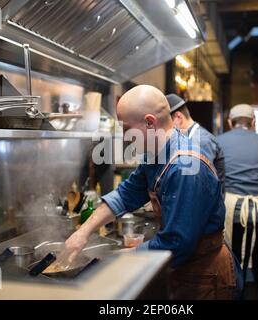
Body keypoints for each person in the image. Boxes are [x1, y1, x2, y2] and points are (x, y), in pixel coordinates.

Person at [64, 85, 241, 299]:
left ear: (149, 122)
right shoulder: (154, 155)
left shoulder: (185, 167)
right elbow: (125, 194)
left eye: (126, 127)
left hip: (204, 276)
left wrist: (115, 259)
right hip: (184, 270)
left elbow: (176, 244)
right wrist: (82, 233)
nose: (124, 136)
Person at [216, 104, 258, 300]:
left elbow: (214, 182)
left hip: (232, 215)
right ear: (253, 122)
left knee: (232, 272)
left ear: (230, 122)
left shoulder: (217, 142)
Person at [166, 94, 225, 192]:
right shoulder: (187, 138)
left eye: (166, 122)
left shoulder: (202, 141)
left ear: (178, 117)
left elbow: (198, 184)